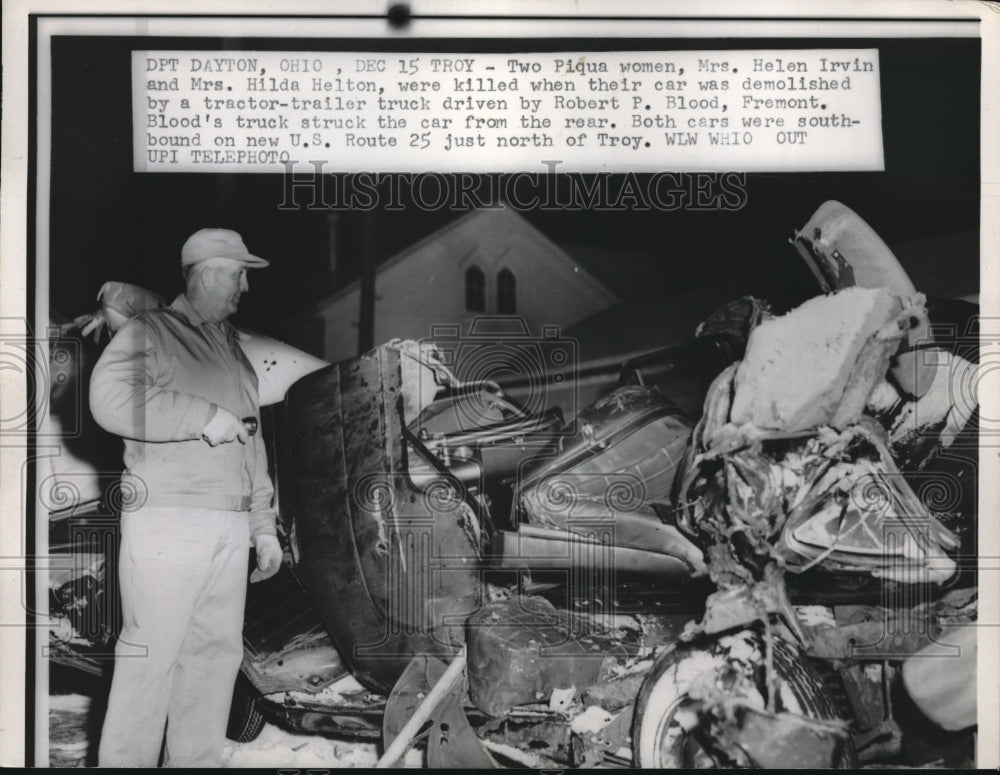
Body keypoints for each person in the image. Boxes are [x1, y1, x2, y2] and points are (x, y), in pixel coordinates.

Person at [90, 228, 283, 767]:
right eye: (239, 272)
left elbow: (252, 445)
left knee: (214, 663)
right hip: (169, 521)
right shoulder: (153, 331)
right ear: (206, 273)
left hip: (227, 526)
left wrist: (262, 526)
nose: (246, 284)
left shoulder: (235, 354)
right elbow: (108, 399)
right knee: (149, 662)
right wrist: (199, 418)